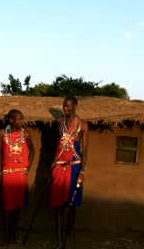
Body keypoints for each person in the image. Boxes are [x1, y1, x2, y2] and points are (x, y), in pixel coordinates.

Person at [49, 96, 88, 249]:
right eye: (64, 106)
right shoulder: (59, 123)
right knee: (58, 205)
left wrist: (82, 172)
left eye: (69, 106)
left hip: (75, 168)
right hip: (59, 167)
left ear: (75, 106)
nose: (66, 109)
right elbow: (56, 146)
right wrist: (53, 164)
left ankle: (68, 236)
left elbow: (85, 151)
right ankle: (59, 240)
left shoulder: (83, 126)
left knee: (71, 205)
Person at [0, 109, 35, 246]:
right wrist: (0, 173)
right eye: (18, 119)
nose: (21, 121)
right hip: (8, 174)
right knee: (8, 207)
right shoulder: (2, 134)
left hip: (20, 175)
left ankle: (13, 235)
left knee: (17, 207)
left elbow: (33, 152)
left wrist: (27, 169)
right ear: (11, 120)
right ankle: (6, 236)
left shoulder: (26, 134)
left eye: (22, 119)